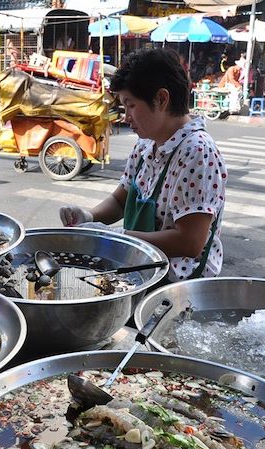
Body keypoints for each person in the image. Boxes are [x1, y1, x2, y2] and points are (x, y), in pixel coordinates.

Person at [58, 49, 226, 284]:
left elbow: (190, 243)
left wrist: (121, 237)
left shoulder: (197, 152)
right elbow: (120, 201)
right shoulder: (146, 144)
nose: (126, 117)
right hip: (141, 270)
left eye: (131, 105)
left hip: (177, 285)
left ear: (161, 99)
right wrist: (88, 217)